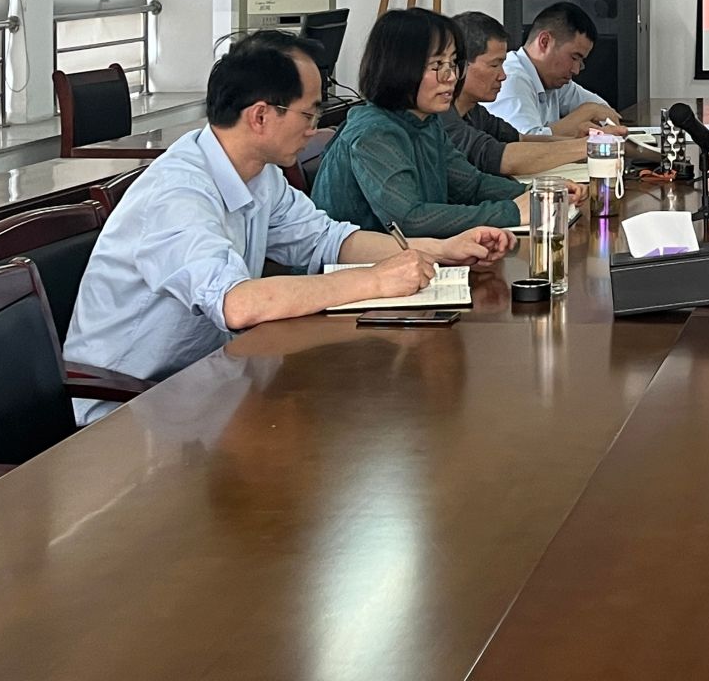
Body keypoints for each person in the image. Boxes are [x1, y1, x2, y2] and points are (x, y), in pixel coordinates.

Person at [66, 34, 512, 421]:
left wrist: (439, 250)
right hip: (132, 411)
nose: (314, 130)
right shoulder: (177, 195)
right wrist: (375, 281)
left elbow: (328, 240)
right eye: (309, 115)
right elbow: (237, 304)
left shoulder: (257, 173)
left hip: (211, 382)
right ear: (260, 116)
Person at [314, 8, 565, 237]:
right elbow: (410, 220)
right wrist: (512, 211)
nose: (452, 77)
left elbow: (471, 185)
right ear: (399, 67)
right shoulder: (373, 132)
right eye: (437, 65)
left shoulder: (427, 122)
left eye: (453, 63)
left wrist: (538, 194)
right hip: (360, 268)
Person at [437, 11, 588, 179]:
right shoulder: (440, 116)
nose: (503, 76)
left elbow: (520, 139)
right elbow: (498, 157)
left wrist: (578, 142)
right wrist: (586, 148)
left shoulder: (475, 112)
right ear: (460, 65)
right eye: (494, 65)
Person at [486, 1, 624, 137]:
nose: (576, 70)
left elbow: (603, 111)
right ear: (545, 42)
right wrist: (587, 112)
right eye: (574, 58)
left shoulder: (553, 80)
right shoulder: (510, 80)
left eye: (581, 61)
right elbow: (524, 144)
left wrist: (595, 115)